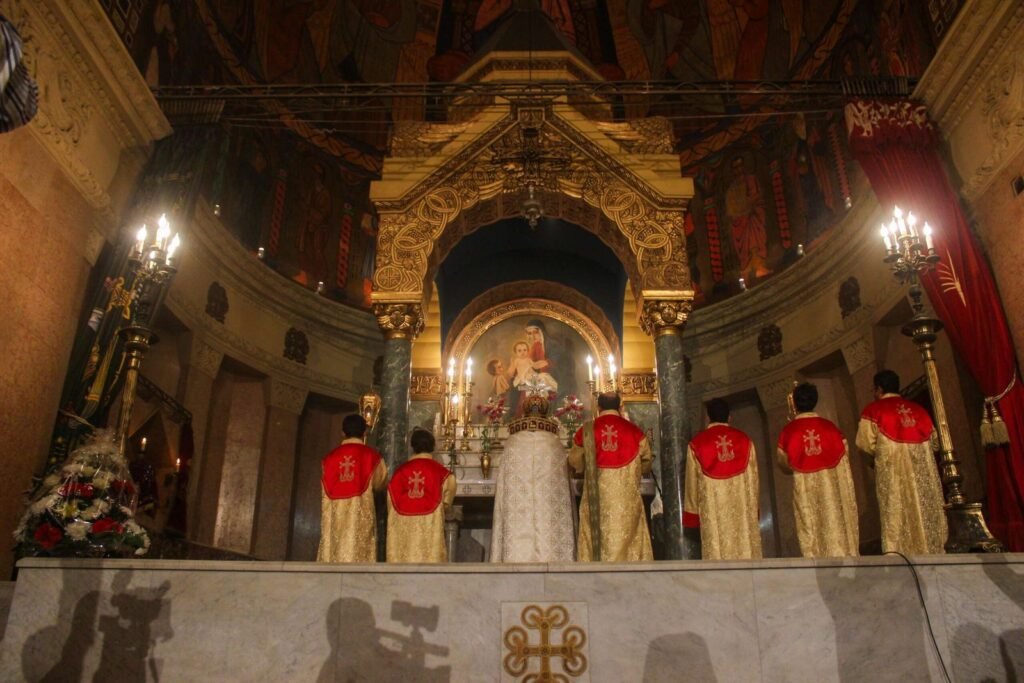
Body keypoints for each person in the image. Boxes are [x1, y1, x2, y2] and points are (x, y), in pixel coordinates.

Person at [856, 370, 947, 555]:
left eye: (874, 390)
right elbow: (936, 443)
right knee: (926, 511)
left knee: (896, 510)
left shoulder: (873, 411)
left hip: (893, 472)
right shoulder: (920, 411)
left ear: (879, 389)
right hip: (923, 472)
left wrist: (876, 460)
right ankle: (934, 549)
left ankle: (899, 555)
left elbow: (864, 444)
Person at [776, 383, 859, 558]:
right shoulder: (831, 428)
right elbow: (845, 456)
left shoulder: (789, 432)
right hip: (833, 489)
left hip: (805, 488)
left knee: (810, 529)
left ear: (795, 404)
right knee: (835, 522)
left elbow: (783, 462)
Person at [491, 391, 575, 562]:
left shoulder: (513, 443)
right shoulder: (554, 443)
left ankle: (514, 555)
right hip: (548, 516)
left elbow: (503, 485)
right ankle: (554, 555)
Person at [569, 392, 653, 561]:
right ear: (620, 406)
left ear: (598, 407)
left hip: (597, 496)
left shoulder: (586, 431)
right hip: (627, 496)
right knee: (629, 532)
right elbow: (647, 462)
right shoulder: (635, 432)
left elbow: (575, 461)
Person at [683, 398, 762, 560]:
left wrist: (692, 514)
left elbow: (692, 485)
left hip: (713, 514)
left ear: (707, 417)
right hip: (742, 513)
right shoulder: (745, 442)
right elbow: (754, 481)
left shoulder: (697, 444)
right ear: (729, 417)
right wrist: (754, 509)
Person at [316, 414, 388, 563]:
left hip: (334, 518)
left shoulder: (328, 459)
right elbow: (380, 483)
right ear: (364, 433)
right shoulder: (372, 457)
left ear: (342, 432)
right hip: (360, 515)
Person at [386, 429, 456, 563]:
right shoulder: (443, 474)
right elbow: (446, 504)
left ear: (413, 447)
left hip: (403, 528)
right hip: (430, 527)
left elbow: (391, 504)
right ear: (432, 447)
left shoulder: (399, 473)